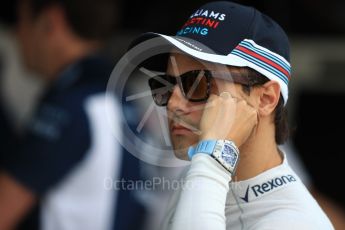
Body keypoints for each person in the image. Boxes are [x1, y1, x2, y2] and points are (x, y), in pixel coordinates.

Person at [127, 1, 334, 229]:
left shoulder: (294, 222)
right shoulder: (199, 173)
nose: (173, 103)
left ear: (265, 99)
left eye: (197, 83)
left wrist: (211, 159)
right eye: (165, 85)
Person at [0, 0, 146, 229]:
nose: (17, 33)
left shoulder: (72, 104)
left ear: (51, 22)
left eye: (21, 21)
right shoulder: (117, 93)